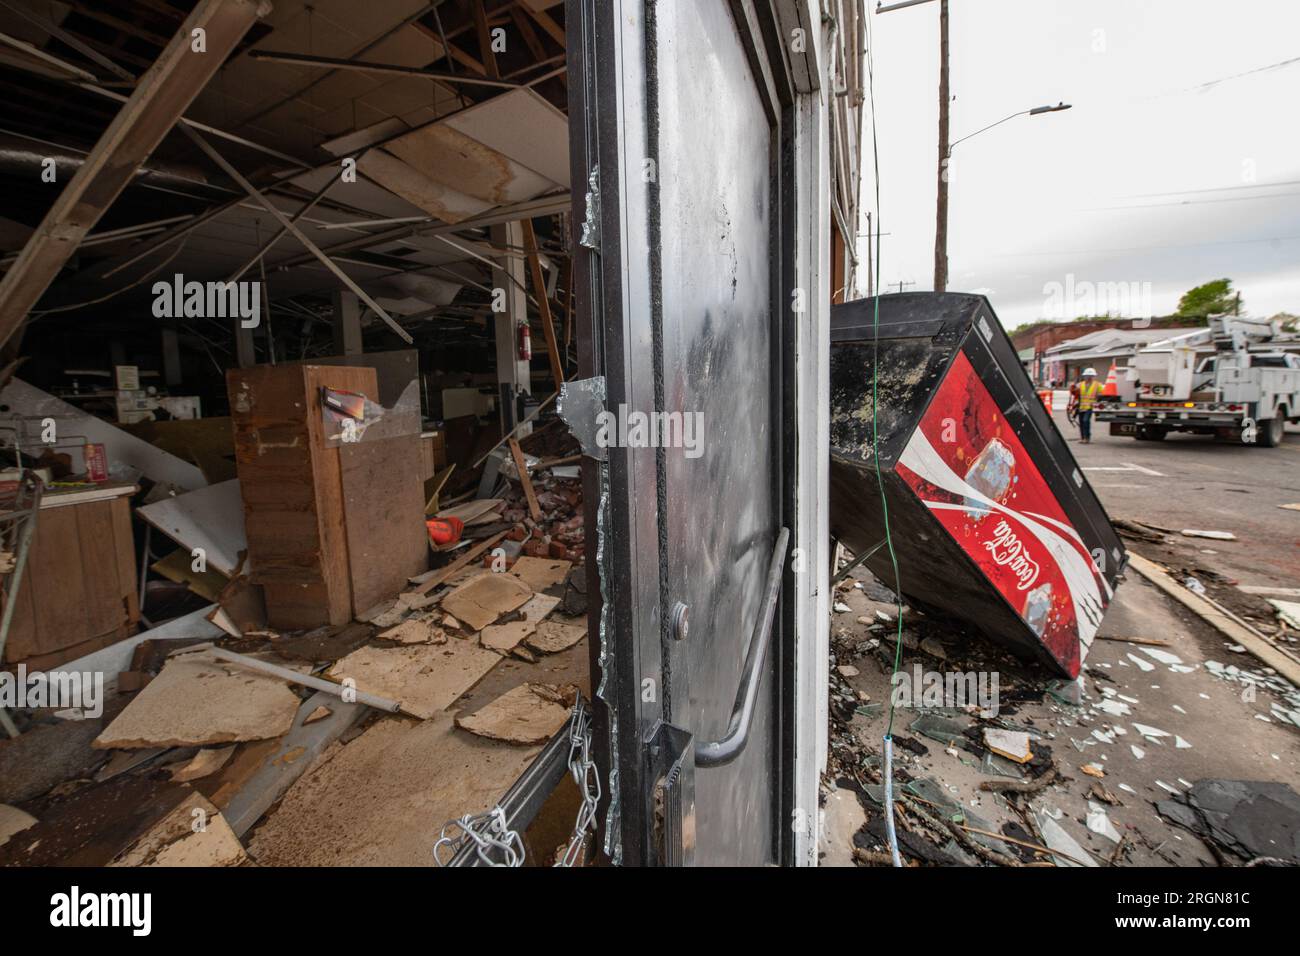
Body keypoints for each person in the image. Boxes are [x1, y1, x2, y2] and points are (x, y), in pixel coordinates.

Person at [1074, 367, 1101, 443]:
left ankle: (1087, 437)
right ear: (1084, 376)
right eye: (1087, 376)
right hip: (1081, 407)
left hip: (1090, 407)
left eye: (1091, 376)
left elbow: (1101, 395)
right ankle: (1083, 438)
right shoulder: (1080, 385)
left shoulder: (1097, 385)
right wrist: (1073, 390)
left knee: (1086, 421)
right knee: (1081, 422)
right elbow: (1074, 394)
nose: (1089, 377)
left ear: (1094, 377)